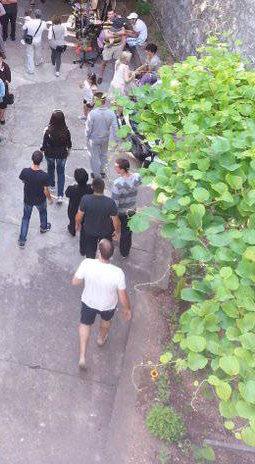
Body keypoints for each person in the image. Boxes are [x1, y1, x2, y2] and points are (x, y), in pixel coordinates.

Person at [72, 238, 132, 370]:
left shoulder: (87, 263)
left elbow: (75, 282)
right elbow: (122, 295)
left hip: (89, 302)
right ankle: (100, 339)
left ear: (99, 251)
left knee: (85, 324)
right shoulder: (118, 273)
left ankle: (82, 356)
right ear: (111, 254)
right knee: (105, 322)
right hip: (107, 305)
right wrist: (127, 309)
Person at [75, 177, 121, 259]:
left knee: (90, 252)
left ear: (92, 187)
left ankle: (91, 261)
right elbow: (116, 221)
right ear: (104, 187)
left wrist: (77, 224)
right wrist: (117, 232)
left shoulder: (85, 199)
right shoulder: (110, 202)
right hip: (105, 231)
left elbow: (79, 215)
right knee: (105, 252)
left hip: (89, 230)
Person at [18, 150, 52, 247]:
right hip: (40, 199)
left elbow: (23, 180)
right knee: (43, 212)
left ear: (32, 159)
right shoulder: (44, 175)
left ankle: (22, 239)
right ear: (41, 161)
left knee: (26, 218)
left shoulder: (25, 171)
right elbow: (46, 190)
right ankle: (43, 227)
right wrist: (50, 199)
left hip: (28, 199)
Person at [110, 158, 142, 257]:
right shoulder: (137, 177)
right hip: (131, 210)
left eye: (116, 167)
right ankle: (125, 252)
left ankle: (108, 244)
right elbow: (140, 182)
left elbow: (114, 203)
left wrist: (112, 214)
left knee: (112, 226)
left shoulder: (117, 184)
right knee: (127, 233)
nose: (115, 168)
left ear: (122, 170)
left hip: (120, 212)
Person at [41, 110, 72, 202]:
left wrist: (42, 152)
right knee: (61, 172)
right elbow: (69, 144)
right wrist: (68, 152)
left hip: (50, 153)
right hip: (62, 154)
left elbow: (44, 144)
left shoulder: (47, 130)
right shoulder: (66, 131)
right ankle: (60, 195)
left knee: (50, 168)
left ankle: (52, 185)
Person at [85, 93, 118, 178]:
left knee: (94, 157)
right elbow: (115, 128)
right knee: (103, 155)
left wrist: (87, 137)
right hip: (105, 138)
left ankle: (96, 175)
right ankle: (102, 172)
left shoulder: (92, 114)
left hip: (94, 138)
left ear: (97, 101)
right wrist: (117, 140)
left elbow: (88, 128)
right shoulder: (111, 113)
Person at [97, 17, 126, 84]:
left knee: (116, 63)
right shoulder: (106, 24)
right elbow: (107, 35)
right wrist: (118, 34)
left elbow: (124, 36)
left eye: (112, 14)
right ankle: (100, 76)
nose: (111, 16)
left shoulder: (121, 25)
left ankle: (115, 77)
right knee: (104, 61)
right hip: (109, 45)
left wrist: (122, 47)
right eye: (109, 14)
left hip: (118, 46)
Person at [65, 168, 92, 237]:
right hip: (86, 210)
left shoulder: (72, 189)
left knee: (72, 221)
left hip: (73, 209)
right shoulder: (90, 188)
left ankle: (72, 230)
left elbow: (67, 194)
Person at [21, 9, 45, 74]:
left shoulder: (29, 22)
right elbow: (44, 28)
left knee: (29, 55)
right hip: (38, 40)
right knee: (38, 51)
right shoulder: (43, 23)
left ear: (34, 15)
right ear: (41, 15)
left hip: (29, 40)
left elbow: (23, 28)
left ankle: (31, 70)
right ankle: (38, 62)